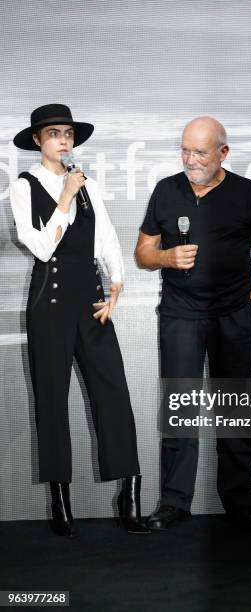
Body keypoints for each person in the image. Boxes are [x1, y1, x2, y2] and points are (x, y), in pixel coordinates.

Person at [10, 104, 150, 536]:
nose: (64, 140)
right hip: (48, 302)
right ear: (39, 140)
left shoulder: (87, 184)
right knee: (52, 399)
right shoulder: (24, 185)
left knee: (114, 393)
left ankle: (129, 496)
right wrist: (66, 197)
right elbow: (40, 247)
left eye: (68, 133)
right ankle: (60, 498)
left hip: (91, 300)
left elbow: (105, 238)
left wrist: (117, 287)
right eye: (54, 133)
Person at [136, 116, 251, 531]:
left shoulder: (247, 193)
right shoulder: (166, 190)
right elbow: (144, 251)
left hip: (234, 314)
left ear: (223, 153)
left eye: (200, 151)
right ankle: (174, 502)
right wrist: (164, 258)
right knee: (180, 410)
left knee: (235, 412)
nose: (190, 159)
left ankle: (239, 501)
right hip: (180, 314)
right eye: (185, 150)